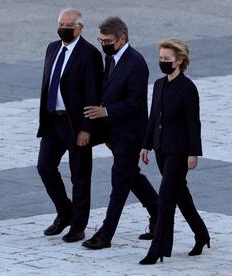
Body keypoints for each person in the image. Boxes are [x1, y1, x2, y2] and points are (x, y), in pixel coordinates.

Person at [82, 17, 158, 250]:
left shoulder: (136, 63)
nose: (103, 44)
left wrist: (106, 111)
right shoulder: (111, 57)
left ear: (122, 38)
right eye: (101, 40)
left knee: (120, 181)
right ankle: (159, 212)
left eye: (107, 41)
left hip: (130, 133)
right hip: (112, 130)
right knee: (130, 175)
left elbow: (136, 102)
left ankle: (106, 234)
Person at [139, 39, 210, 265]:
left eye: (167, 59)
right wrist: (146, 144)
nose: (163, 62)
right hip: (161, 148)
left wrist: (193, 153)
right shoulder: (159, 84)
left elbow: (193, 123)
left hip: (179, 151)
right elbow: (153, 116)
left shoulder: (188, 88)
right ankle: (201, 233)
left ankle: (158, 248)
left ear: (179, 61)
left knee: (166, 199)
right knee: (181, 195)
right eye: (161, 59)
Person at [37, 8, 103, 243]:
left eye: (68, 25)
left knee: (80, 176)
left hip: (76, 125)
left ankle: (78, 225)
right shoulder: (52, 48)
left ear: (80, 28)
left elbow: (93, 93)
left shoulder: (90, 54)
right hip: (54, 121)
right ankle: (65, 212)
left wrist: (87, 128)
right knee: (45, 167)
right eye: (61, 24)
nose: (63, 28)